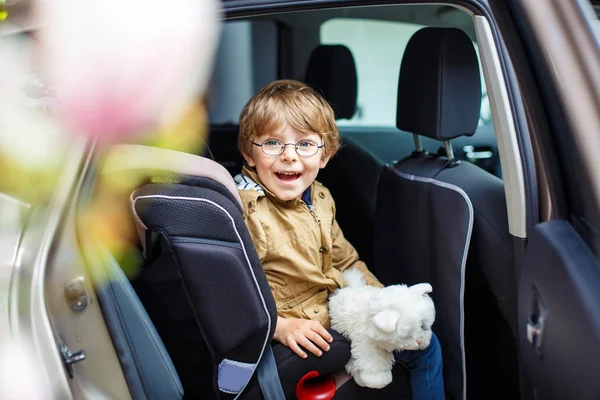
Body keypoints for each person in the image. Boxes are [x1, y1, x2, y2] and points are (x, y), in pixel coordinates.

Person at [234, 79, 444, 400]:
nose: (289, 156)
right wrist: (280, 327)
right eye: (273, 143)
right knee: (427, 348)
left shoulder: (319, 196)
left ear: (325, 155)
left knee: (414, 328)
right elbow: (234, 292)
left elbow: (345, 259)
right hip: (305, 325)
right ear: (249, 154)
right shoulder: (252, 213)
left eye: (304, 144)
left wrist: (381, 297)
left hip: (336, 306)